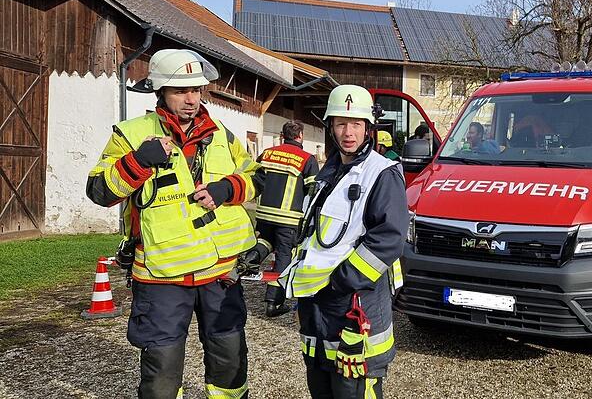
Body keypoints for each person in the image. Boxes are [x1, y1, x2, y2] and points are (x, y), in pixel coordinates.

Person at [86, 49, 259, 399]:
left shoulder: (222, 134)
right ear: (161, 91)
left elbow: (256, 176)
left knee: (230, 362)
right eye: (181, 90)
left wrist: (227, 188)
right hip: (162, 277)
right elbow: (99, 191)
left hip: (220, 274)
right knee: (162, 371)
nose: (191, 99)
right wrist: (138, 161)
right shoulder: (132, 134)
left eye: (196, 89)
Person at [281, 85, 408, 398]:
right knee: (322, 384)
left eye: (355, 124)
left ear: (368, 128)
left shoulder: (383, 172)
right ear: (330, 127)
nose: (348, 132)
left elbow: (390, 238)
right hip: (319, 305)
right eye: (340, 124)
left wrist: (343, 279)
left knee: (354, 388)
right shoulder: (329, 171)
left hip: (355, 301)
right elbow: (310, 231)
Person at [241, 120, 320, 317]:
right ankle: (273, 302)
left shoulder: (267, 153)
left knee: (264, 242)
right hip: (289, 218)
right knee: (284, 257)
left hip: (264, 213)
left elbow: (256, 177)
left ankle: (249, 260)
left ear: (283, 135)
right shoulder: (306, 158)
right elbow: (313, 190)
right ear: (300, 136)